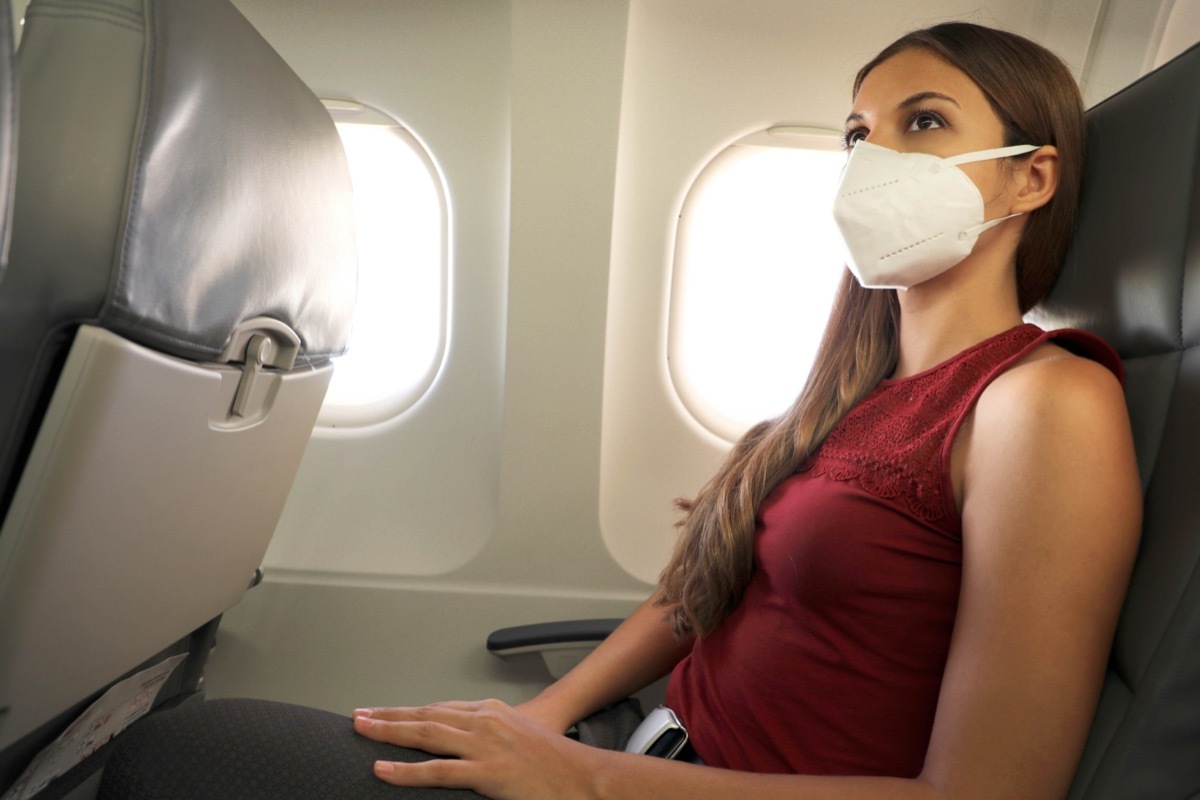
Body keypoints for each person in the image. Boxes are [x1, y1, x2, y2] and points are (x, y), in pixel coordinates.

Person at [98, 20, 1141, 800]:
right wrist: (541, 716)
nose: (871, 161)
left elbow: (986, 795)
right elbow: (699, 596)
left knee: (179, 757)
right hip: (635, 752)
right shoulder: (853, 393)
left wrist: (576, 775)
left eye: (924, 123)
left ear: (1028, 178)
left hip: (637, 784)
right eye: (857, 134)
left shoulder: (1043, 399)